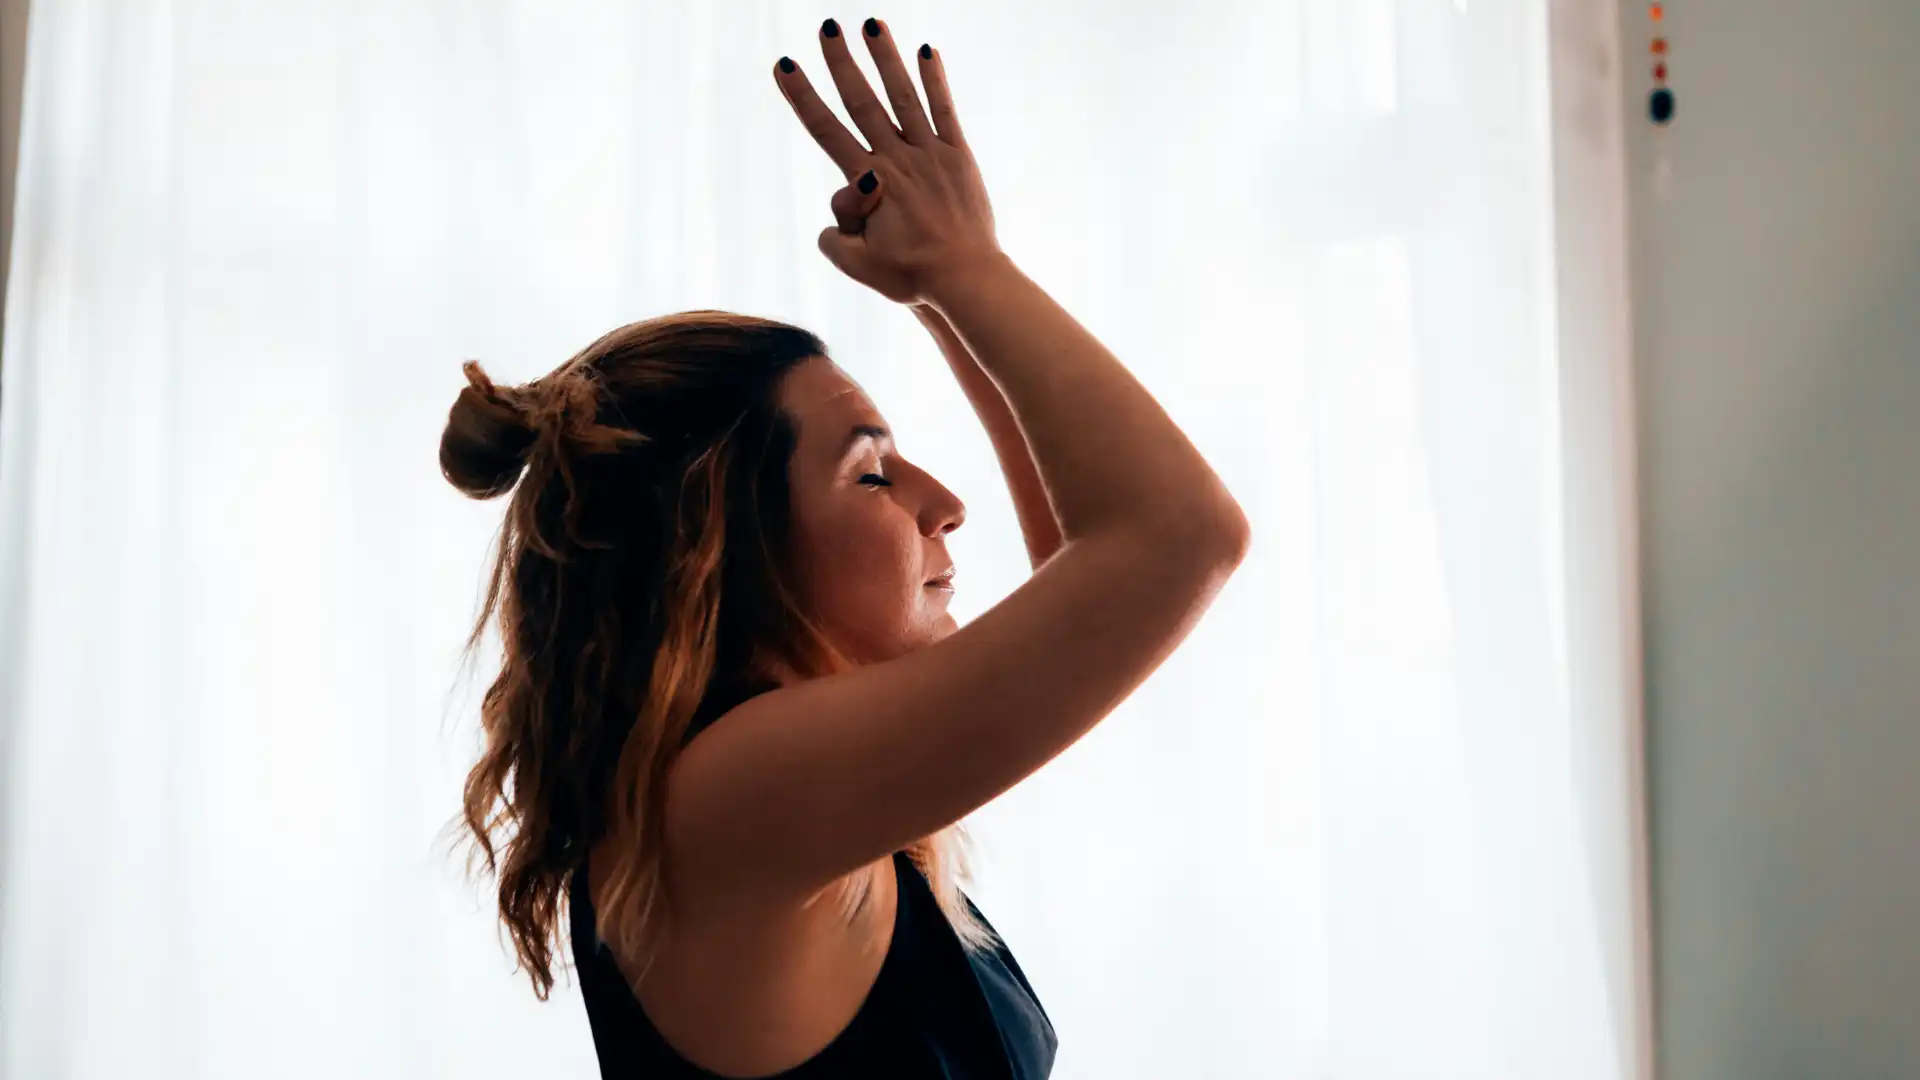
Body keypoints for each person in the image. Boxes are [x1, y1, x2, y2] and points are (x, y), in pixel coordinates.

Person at [439, 16, 1250, 1079]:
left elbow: (1090, 574)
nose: (944, 503)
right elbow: (1174, 537)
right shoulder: (732, 796)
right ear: (718, 551)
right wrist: (968, 271)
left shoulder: (768, 788)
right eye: (871, 472)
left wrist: (940, 297)